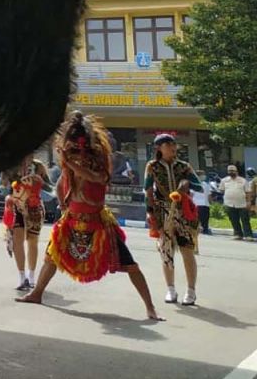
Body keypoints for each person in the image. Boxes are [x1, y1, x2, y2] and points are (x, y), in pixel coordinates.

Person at [18, 113, 164, 321]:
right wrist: (61, 202)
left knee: (130, 265)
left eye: (80, 150)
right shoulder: (69, 164)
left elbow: (97, 178)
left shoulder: (99, 162)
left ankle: (150, 307)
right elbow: (60, 183)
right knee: (51, 258)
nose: (78, 155)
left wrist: (71, 163)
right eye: (74, 151)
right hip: (71, 219)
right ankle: (37, 293)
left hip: (98, 223)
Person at [145, 133, 202, 305]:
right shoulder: (152, 166)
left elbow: (199, 186)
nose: (172, 147)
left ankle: (191, 291)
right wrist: (150, 212)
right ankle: (170, 289)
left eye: (173, 144)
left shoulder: (184, 166)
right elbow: (147, 189)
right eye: (168, 144)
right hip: (163, 212)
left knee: (187, 251)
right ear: (159, 148)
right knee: (166, 252)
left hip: (183, 212)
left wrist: (186, 182)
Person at [4, 159, 47, 290]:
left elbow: (49, 187)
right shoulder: (9, 166)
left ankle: (31, 276)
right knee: (17, 241)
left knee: (32, 241)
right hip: (16, 207)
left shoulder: (38, 166)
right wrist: (8, 197)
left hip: (34, 208)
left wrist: (39, 180)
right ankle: (22, 277)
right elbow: (3, 187)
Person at [220, 165, 253, 241]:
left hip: (242, 204)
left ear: (236, 171)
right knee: (234, 220)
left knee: (245, 220)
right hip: (229, 203)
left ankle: (248, 235)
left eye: (233, 171)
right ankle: (238, 234)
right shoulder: (224, 180)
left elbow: (248, 192)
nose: (231, 172)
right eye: (229, 171)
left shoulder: (243, 180)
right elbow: (222, 190)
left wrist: (248, 202)